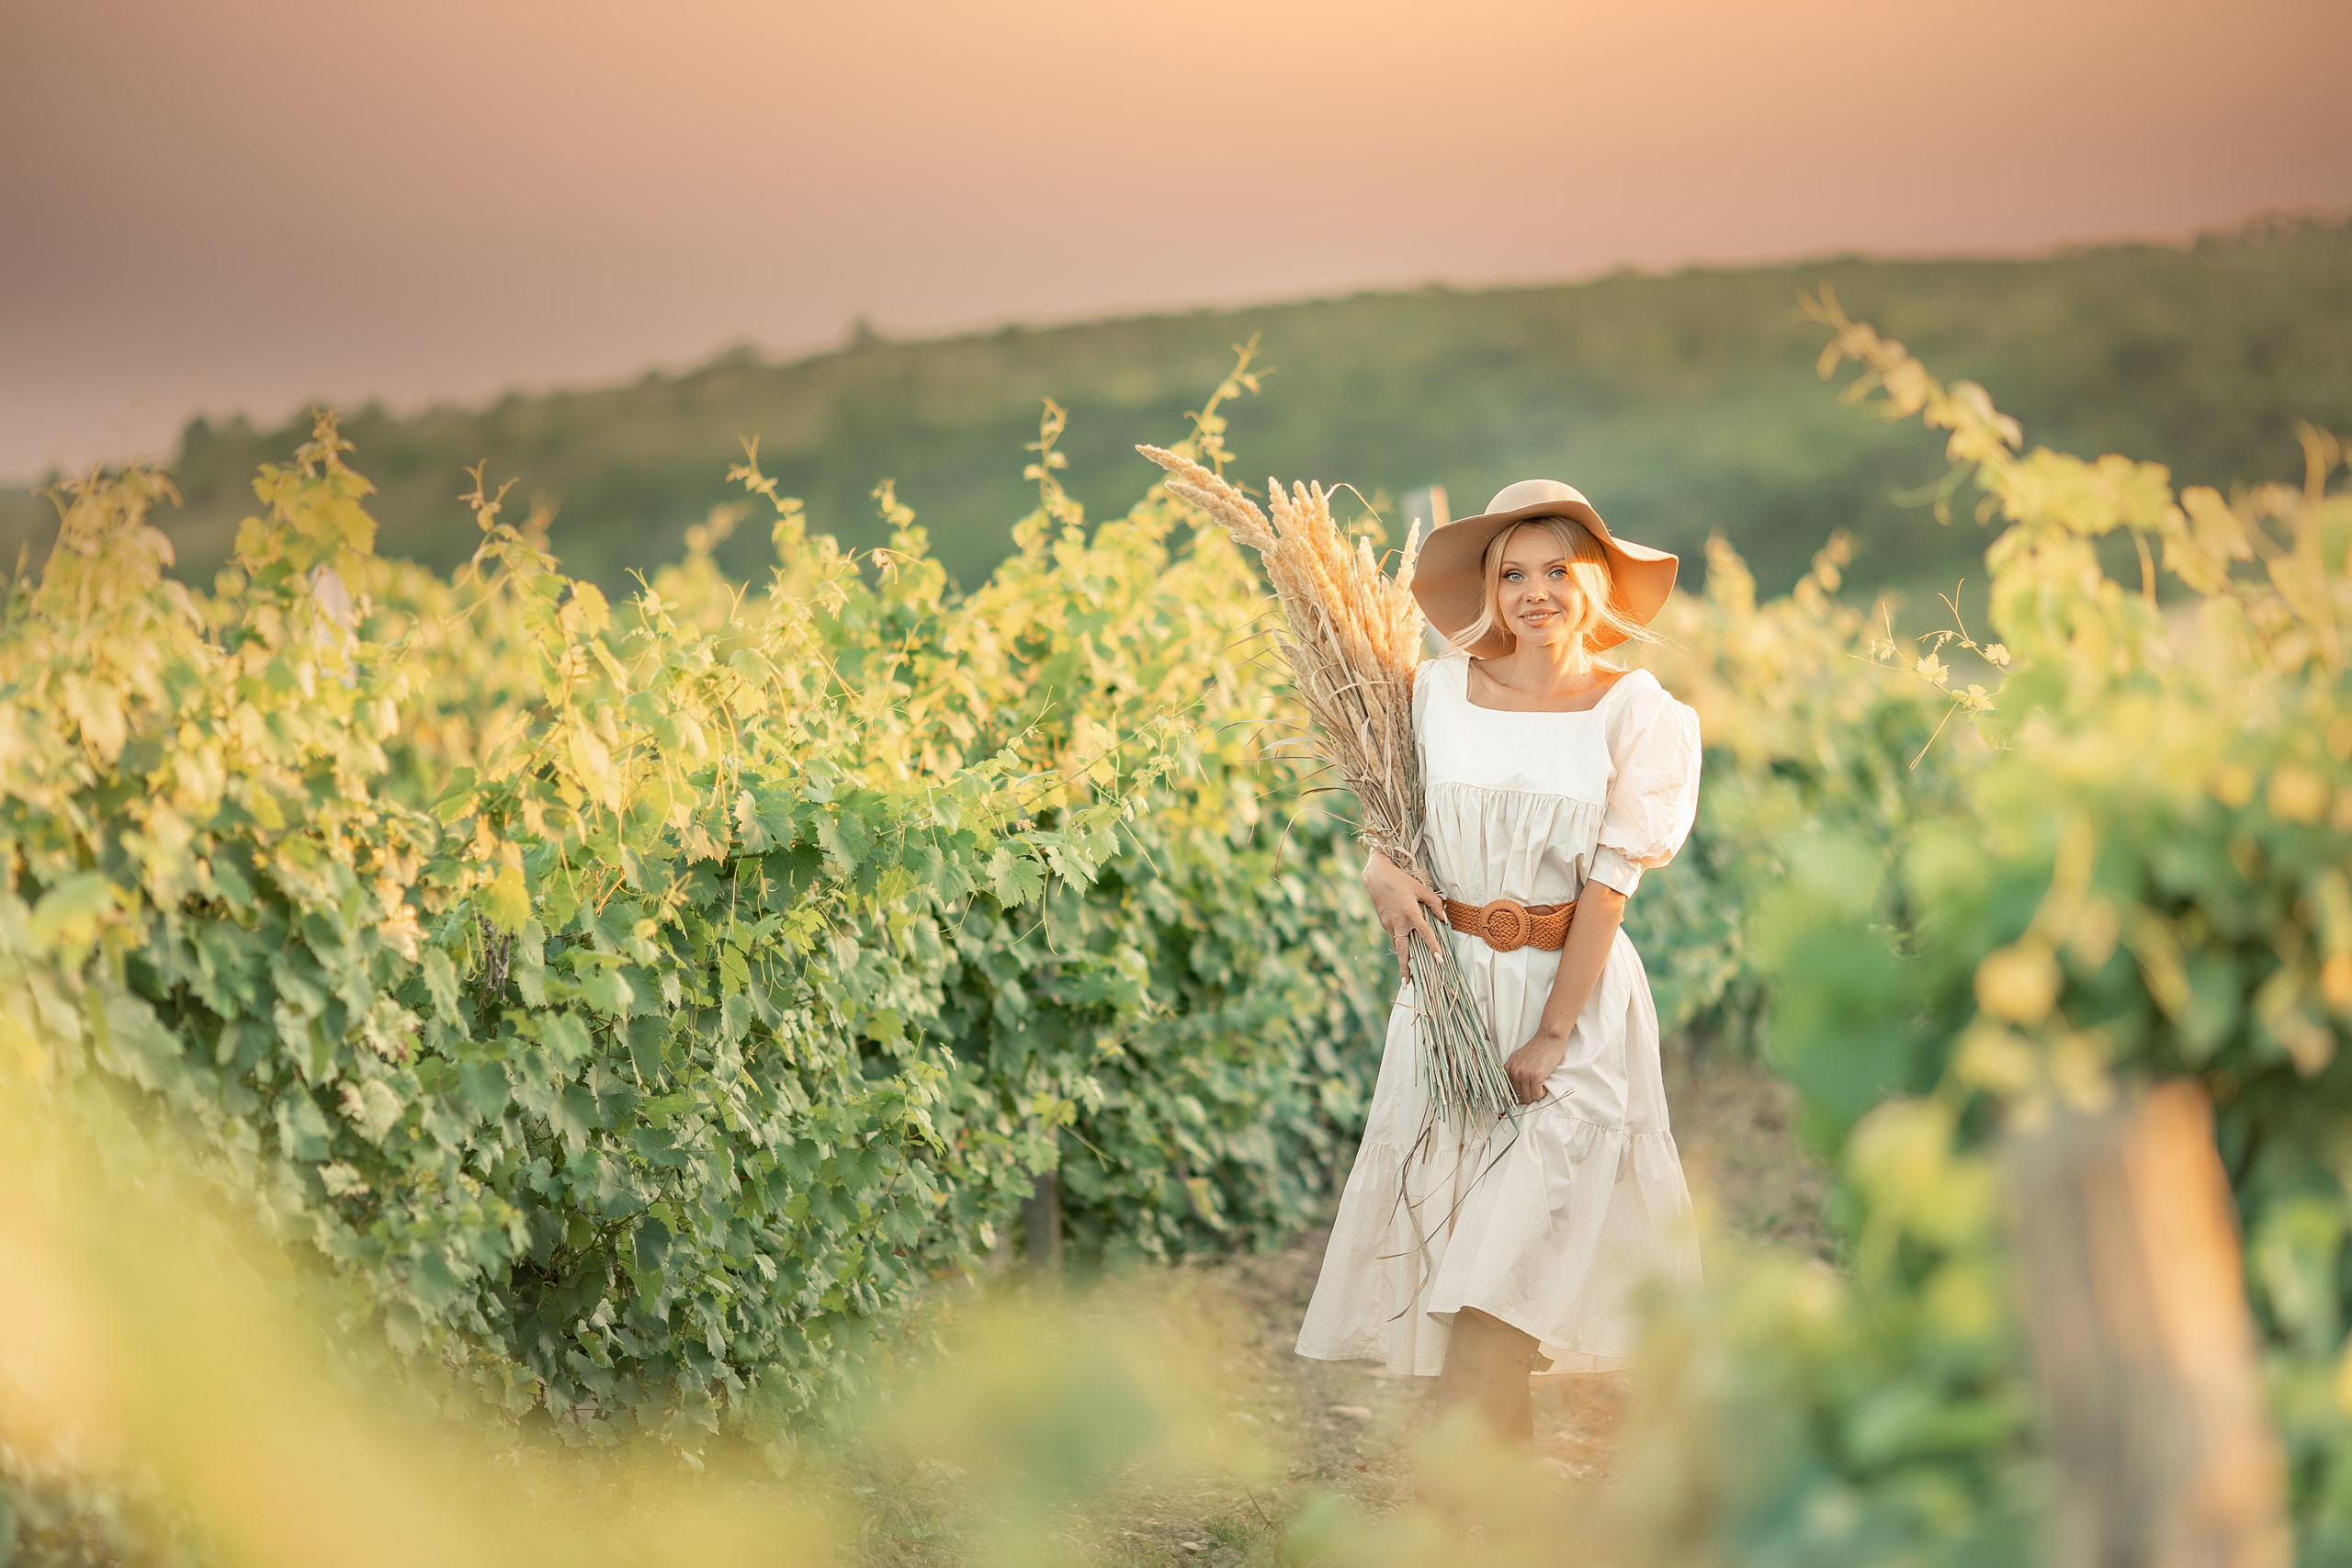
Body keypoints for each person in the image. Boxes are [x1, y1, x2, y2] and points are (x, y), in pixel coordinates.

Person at [1294, 478, 1703, 1445]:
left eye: (1559, 568)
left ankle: (1447, 1514)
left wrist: (1553, 1036)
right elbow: (1392, 826)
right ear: (1488, 587)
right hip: (1453, 997)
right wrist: (1378, 872)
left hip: (1576, 1005)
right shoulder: (1434, 691)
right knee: (1475, 1269)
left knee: (1499, 1271)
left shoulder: (1636, 711)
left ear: (1595, 580)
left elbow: (1609, 887)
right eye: (1512, 572)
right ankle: (1502, 1512)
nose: (1535, 591)